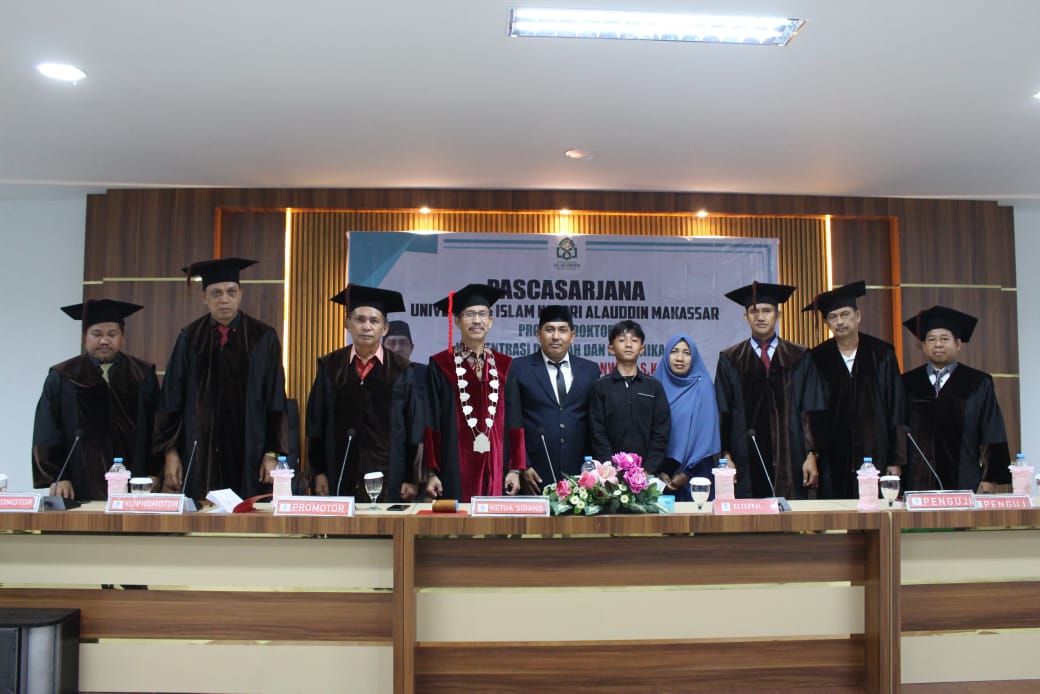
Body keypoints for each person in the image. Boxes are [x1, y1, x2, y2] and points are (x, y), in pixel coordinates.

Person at [154, 257, 288, 500]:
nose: (224, 299)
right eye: (216, 293)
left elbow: (275, 398)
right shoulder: (189, 338)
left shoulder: (263, 337)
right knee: (202, 514)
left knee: (249, 513)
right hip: (200, 451)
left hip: (251, 450)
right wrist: (170, 453)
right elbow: (171, 400)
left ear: (240, 294)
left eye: (231, 292)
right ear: (204, 297)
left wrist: (272, 453)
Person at [32, 299, 160, 501]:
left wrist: (156, 471)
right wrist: (58, 476)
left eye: (112, 334)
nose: (104, 341)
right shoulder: (63, 376)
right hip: (77, 481)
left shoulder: (142, 374)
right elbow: (47, 429)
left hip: (135, 481)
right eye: (97, 334)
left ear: (123, 337)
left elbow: (157, 427)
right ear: (85, 336)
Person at [306, 285, 421, 501]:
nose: (367, 326)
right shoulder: (330, 367)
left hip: (390, 474)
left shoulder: (401, 370)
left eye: (374, 321)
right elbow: (316, 424)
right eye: (360, 320)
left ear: (384, 329)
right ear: (347, 323)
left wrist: (412, 477)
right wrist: (318, 472)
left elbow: (413, 426)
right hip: (339, 472)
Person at [715, 282, 826, 499]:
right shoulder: (731, 359)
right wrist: (725, 455)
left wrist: (812, 454)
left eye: (767, 311)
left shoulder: (799, 357)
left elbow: (812, 408)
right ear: (745, 317)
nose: (760, 317)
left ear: (778, 315)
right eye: (753, 311)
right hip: (744, 456)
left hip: (792, 456)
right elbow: (722, 411)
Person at [803, 281, 907, 498]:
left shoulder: (882, 354)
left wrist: (896, 459)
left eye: (845, 315)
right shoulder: (817, 358)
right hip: (833, 454)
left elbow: (896, 406)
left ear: (858, 316)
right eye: (833, 317)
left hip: (876, 450)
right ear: (826, 323)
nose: (840, 322)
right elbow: (810, 411)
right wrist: (812, 453)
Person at [423, 283, 526, 501]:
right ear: (457, 321)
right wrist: (431, 472)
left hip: (497, 466)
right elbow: (431, 421)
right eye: (469, 314)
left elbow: (515, 421)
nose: (477, 320)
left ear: (491, 321)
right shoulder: (441, 365)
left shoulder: (505, 365)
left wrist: (515, 469)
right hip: (453, 465)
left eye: (482, 314)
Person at [902, 305, 1011, 492]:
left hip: (965, 480)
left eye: (944, 339)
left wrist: (989, 478)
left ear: (958, 344)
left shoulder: (978, 382)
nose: (938, 344)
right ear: (923, 345)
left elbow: (992, 430)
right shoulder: (907, 383)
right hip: (917, 481)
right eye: (931, 339)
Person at [505, 305, 601, 494]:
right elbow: (512, 420)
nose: (556, 336)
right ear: (538, 334)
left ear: (572, 336)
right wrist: (523, 465)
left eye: (562, 330)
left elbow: (596, 422)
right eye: (549, 330)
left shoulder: (590, 370)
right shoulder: (519, 368)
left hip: (579, 474)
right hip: (533, 474)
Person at [588, 320, 671, 476]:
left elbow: (661, 432)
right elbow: (597, 432)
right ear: (611, 349)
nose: (628, 345)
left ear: (642, 348)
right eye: (621, 340)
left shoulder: (654, 387)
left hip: (647, 474)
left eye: (634, 340)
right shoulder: (600, 387)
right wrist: (610, 469)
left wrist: (648, 470)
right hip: (609, 475)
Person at [656, 333, 720, 501]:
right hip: (661, 475)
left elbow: (706, 436)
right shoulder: (656, 385)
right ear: (666, 355)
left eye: (687, 353)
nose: (680, 358)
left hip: (697, 472)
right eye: (674, 351)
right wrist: (659, 470)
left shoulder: (703, 385)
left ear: (694, 357)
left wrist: (686, 473)